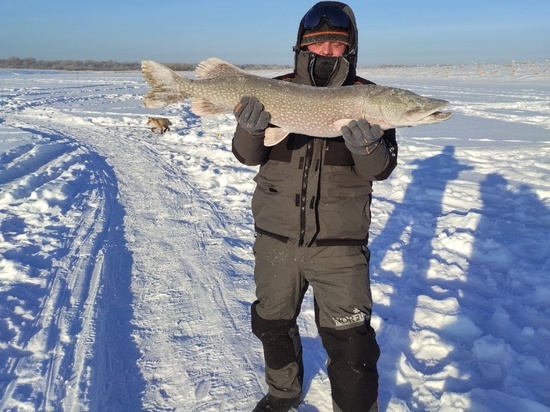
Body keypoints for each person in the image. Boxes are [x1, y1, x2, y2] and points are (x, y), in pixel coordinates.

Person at [231, 2, 398, 411]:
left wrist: (368, 146)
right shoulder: (273, 88)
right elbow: (246, 155)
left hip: (339, 246)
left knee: (351, 339)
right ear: (302, 46)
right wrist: (249, 130)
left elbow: (382, 169)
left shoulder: (370, 98)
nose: (325, 51)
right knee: (272, 323)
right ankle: (282, 393)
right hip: (276, 237)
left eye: (336, 44)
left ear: (350, 49)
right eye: (317, 42)